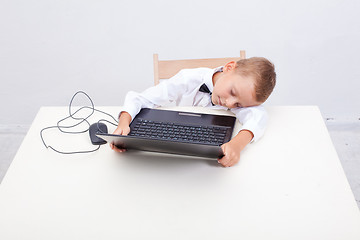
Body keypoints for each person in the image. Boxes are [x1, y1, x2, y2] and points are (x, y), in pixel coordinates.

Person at [110, 57, 276, 167]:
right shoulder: (188, 78)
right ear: (229, 67)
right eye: (232, 92)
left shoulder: (240, 96)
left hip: (202, 162)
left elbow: (258, 116)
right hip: (169, 148)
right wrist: (124, 122)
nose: (230, 103)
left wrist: (237, 145)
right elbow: (142, 98)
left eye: (239, 103)